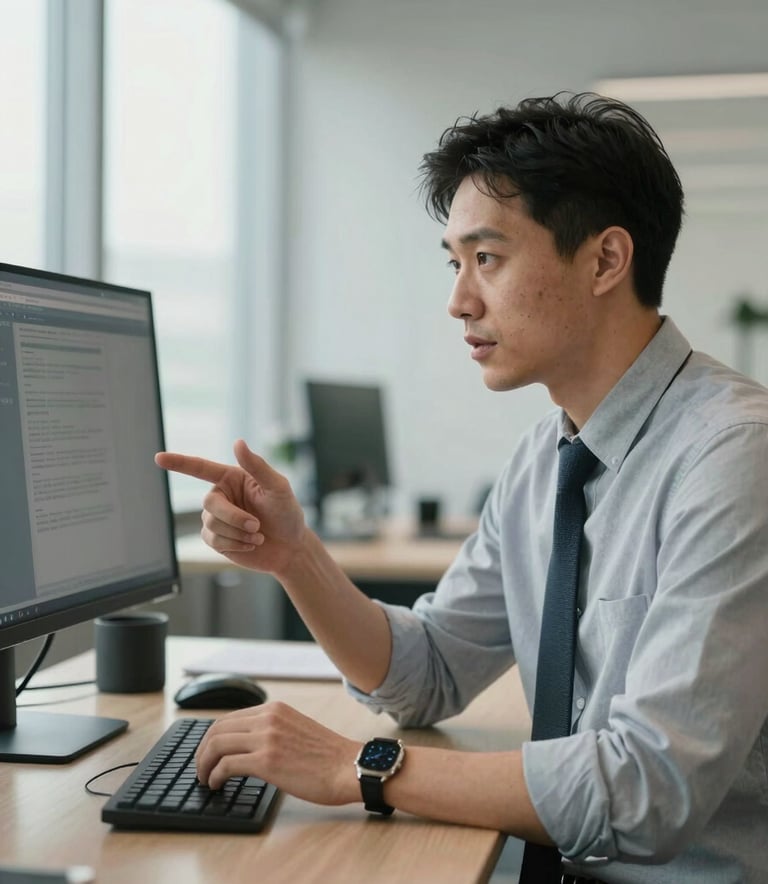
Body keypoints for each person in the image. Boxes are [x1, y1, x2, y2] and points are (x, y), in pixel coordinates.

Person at [156, 93, 768, 883]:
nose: (459, 301)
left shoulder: (733, 458)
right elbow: (428, 674)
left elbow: (648, 791)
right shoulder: (544, 457)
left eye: (489, 258)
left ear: (606, 261)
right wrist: (295, 556)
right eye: (456, 262)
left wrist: (360, 768)